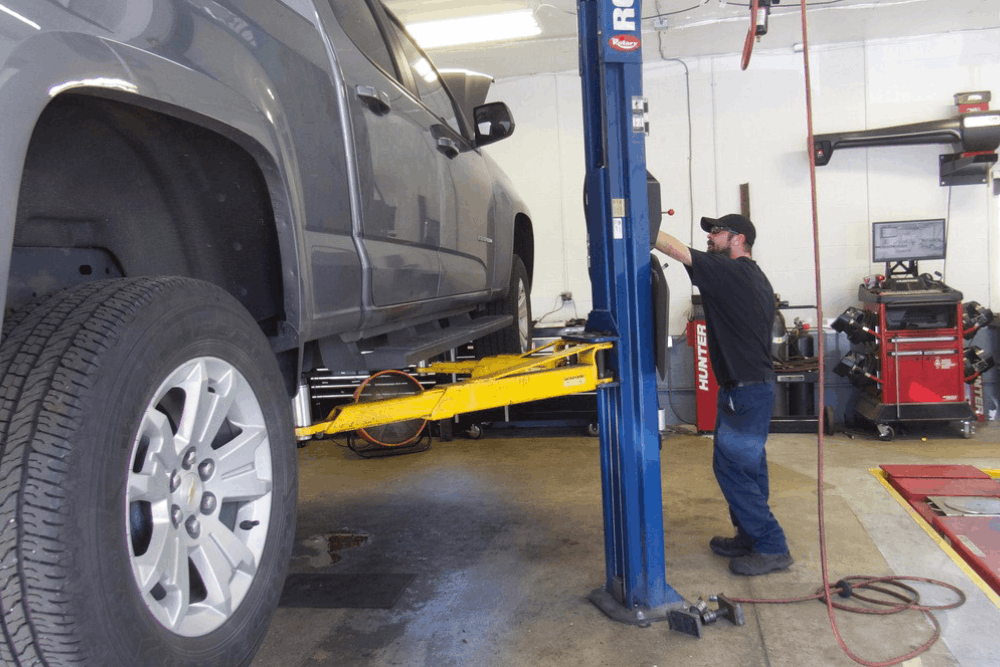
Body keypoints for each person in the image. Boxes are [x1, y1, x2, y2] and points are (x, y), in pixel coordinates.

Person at [655, 213, 793, 576]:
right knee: (749, 467)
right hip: (752, 388)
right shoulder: (752, 276)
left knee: (731, 466)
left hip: (745, 391)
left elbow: (678, 250)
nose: (711, 237)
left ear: (738, 239)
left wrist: (637, 223)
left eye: (717, 232)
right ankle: (749, 536)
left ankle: (771, 545)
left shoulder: (730, 271)